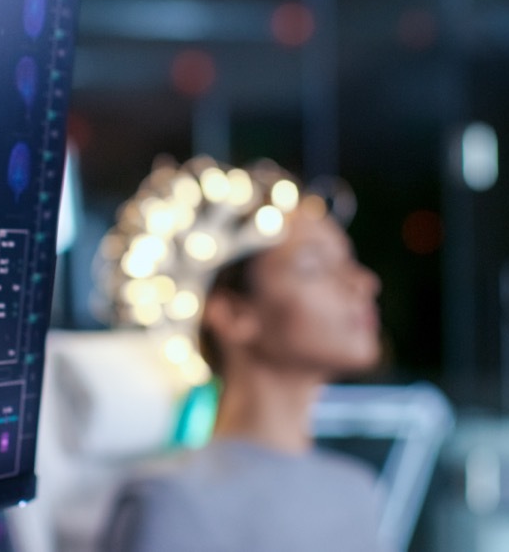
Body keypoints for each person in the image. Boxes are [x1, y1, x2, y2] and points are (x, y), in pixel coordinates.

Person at [95, 157, 388, 552]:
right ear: (232, 313)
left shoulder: (356, 491)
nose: (364, 283)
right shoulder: (171, 502)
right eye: (315, 266)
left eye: (349, 262)